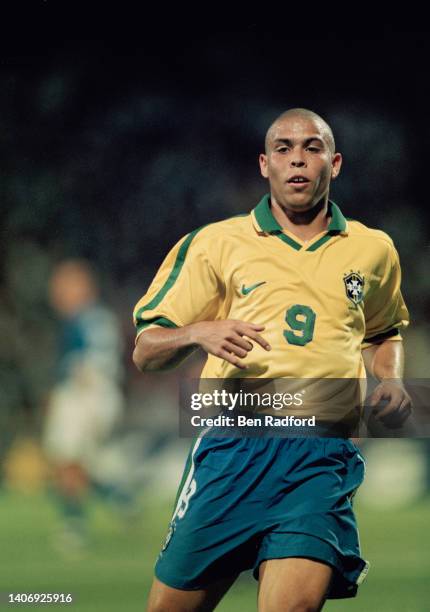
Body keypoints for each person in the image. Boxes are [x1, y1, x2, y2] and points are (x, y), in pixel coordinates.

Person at [132, 108, 411, 611]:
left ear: (335, 162)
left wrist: (390, 379)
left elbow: (383, 331)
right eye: (283, 149)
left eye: (312, 148)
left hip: (319, 458)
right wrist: (198, 331)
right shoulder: (216, 243)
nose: (298, 160)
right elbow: (146, 351)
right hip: (232, 452)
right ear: (265, 164)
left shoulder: (374, 250)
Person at [43, 259, 124, 550]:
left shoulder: (85, 319)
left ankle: (73, 524)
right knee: (82, 462)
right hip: (98, 394)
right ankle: (122, 501)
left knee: (67, 460)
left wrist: (83, 401)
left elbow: (92, 364)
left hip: (86, 394)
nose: (57, 292)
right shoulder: (97, 317)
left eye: (64, 285)